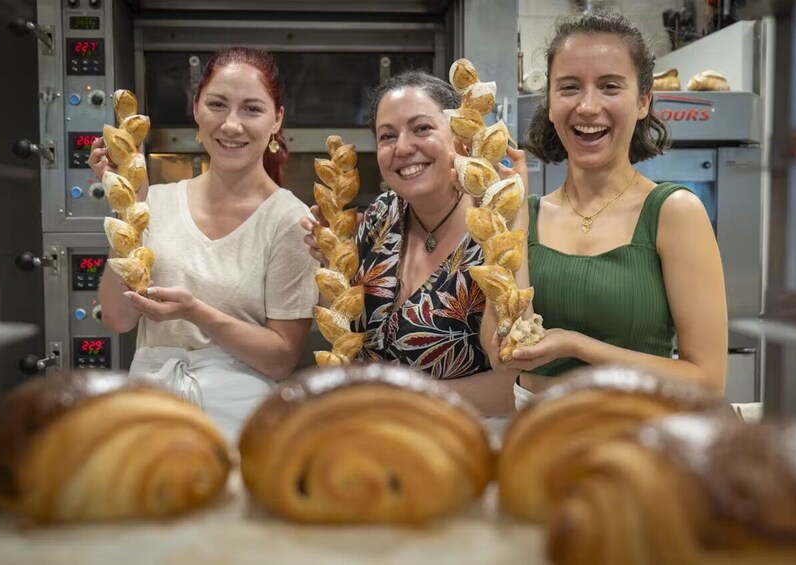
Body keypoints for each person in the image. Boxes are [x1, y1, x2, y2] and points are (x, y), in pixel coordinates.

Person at [89, 47, 318, 442]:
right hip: (150, 412)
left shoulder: (289, 220)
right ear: (196, 109)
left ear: (276, 119)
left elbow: (281, 358)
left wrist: (197, 313)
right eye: (217, 104)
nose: (231, 125)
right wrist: (130, 207)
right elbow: (118, 319)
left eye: (251, 109)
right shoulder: (154, 202)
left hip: (240, 421)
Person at [507, 9, 728, 409]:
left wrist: (578, 346)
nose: (588, 106)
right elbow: (504, 351)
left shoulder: (673, 212)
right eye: (569, 87)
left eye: (610, 86)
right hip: (535, 437)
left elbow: (707, 382)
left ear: (643, 101)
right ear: (550, 103)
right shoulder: (528, 214)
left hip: (640, 442)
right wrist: (511, 214)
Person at [301, 71, 526, 416]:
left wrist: (399, 399)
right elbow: (347, 342)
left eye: (422, 129)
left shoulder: (499, 230)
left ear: (459, 137)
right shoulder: (378, 218)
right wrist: (328, 258)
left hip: (466, 438)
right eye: (387, 136)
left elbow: (516, 386)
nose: (403, 148)